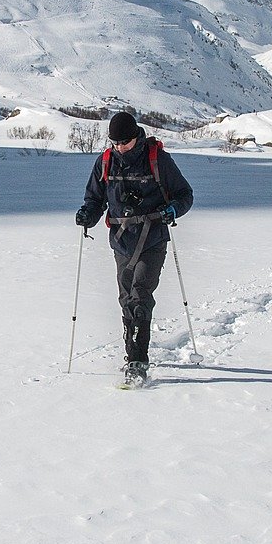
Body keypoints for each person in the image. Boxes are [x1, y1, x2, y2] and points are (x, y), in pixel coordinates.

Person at [75, 111, 194, 387]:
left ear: (136, 137)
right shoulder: (105, 162)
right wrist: (86, 215)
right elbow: (94, 199)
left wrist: (172, 210)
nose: (119, 148)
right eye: (115, 143)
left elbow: (185, 195)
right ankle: (132, 351)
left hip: (152, 239)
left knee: (140, 297)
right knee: (126, 299)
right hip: (121, 241)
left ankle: (137, 362)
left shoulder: (157, 159)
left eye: (124, 143)